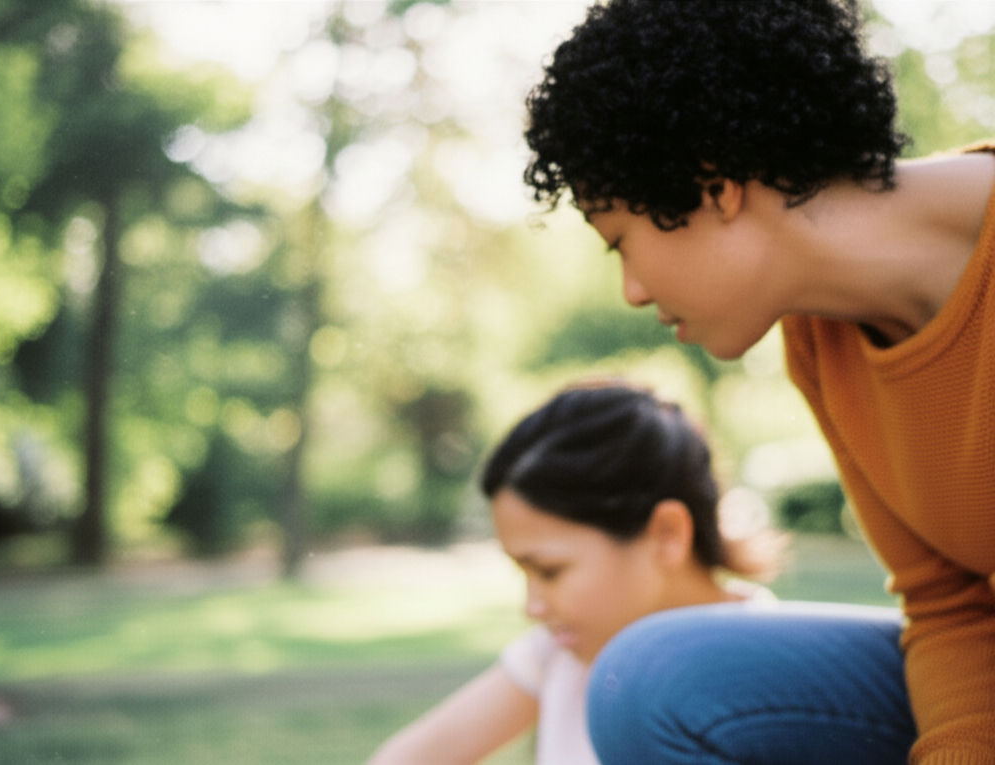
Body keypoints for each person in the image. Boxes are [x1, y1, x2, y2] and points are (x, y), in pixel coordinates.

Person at [521, 0, 995, 763]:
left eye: (620, 244)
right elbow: (949, 604)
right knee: (658, 676)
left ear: (712, 183)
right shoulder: (819, 337)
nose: (633, 292)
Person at [366, 380, 784, 765]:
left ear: (667, 535)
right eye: (523, 573)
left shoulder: (780, 677)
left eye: (549, 571)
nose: (531, 607)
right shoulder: (559, 656)